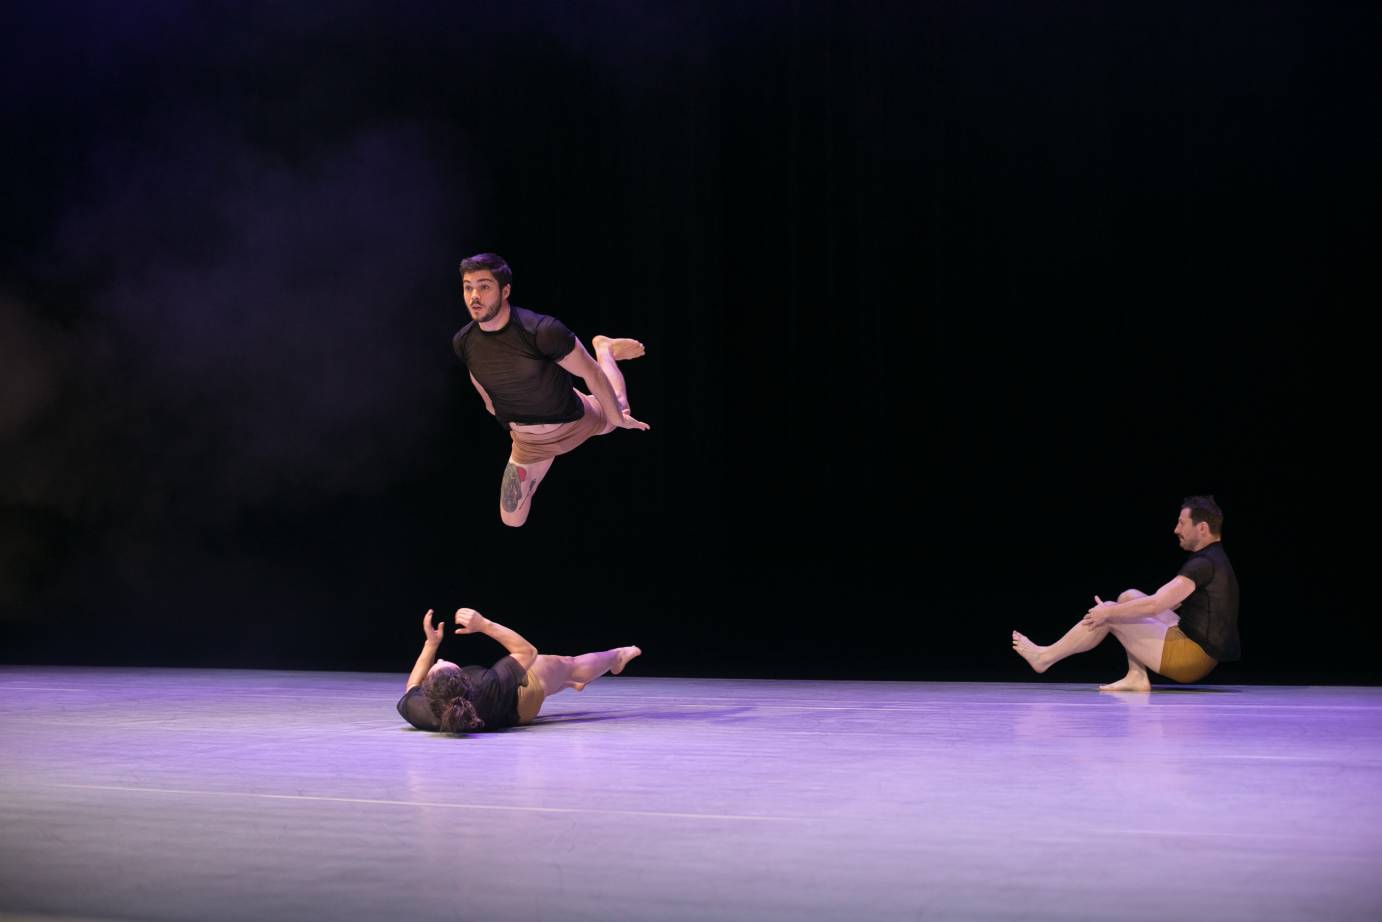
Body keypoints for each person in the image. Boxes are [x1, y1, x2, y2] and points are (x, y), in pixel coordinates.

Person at [452, 252, 650, 527]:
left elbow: (590, 372)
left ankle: (604, 348)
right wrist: (501, 415)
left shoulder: (541, 330)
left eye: (484, 286)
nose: (474, 295)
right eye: (468, 286)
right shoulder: (464, 342)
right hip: (530, 445)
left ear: (505, 290)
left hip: (576, 421)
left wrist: (616, 418)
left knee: (619, 409)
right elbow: (479, 378)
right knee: (512, 519)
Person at [1012, 495, 1240, 691]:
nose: (1176, 529)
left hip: (1191, 659)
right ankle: (1137, 676)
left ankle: (1044, 658)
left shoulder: (1204, 564)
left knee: (1114, 612)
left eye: (1182, 523)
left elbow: (1156, 605)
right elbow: (1169, 604)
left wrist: (1109, 613)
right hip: (1198, 649)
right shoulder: (1214, 558)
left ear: (1201, 528)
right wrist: (1122, 611)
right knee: (1129, 597)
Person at [398, 607, 642, 733]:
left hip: (510, 714)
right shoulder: (485, 684)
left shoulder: (418, 709)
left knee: (558, 674)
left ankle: (567, 682)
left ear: (428, 694)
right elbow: (528, 652)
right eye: (443, 663)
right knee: (566, 664)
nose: (439, 659)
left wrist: (430, 644)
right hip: (521, 700)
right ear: (465, 679)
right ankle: (616, 657)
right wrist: (483, 624)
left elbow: (411, 686)